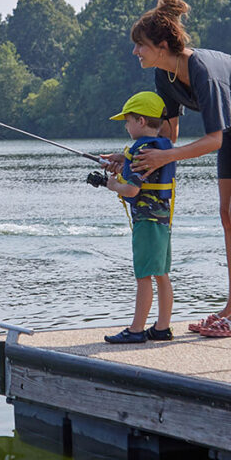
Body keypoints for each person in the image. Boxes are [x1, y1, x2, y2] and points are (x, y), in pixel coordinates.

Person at [113, 0, 231, 338]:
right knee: (226, 214)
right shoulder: (165, 76)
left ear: (162, 45)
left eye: (140, 46)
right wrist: (130, 157)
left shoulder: (203, 71)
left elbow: (213, 140)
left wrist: (165, 157)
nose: (136, 53)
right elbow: (168, 135)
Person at [94, 92, 176, 344]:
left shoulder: (140, 151)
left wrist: (110, 184)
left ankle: (137, 329)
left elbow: (131, 190)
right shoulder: (161, 147)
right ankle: (162, 328)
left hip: (146, 223)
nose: (125, 126)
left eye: (127, 121)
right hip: (162, 221)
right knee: (161, 273)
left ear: (140, 121)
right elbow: (141, 177)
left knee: (143, 275)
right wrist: (123, 164)